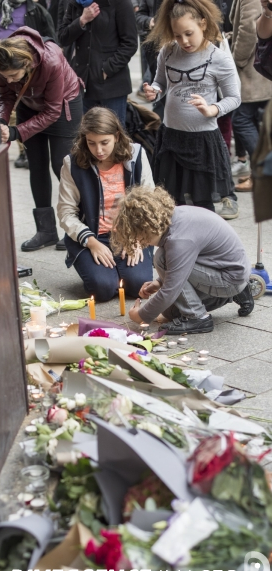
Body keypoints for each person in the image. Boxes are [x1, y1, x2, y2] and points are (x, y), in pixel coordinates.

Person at [143, 0, 241, 219]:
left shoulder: (219, 58)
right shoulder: (167, 51)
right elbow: (161, 82)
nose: (184, 41)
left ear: (203, 24)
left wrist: (212, 109)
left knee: (202, 206)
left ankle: (205, 249)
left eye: (189, 33)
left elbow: (234, 98)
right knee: (171, 204)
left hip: (202, 141)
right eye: (177, 35)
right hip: (170, 138)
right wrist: (154, 91)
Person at [111, 186, 253, 335]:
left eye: (138, 238)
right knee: (171, 313)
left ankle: (198, 317)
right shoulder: (173, 217)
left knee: (162, 259)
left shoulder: (179, 240)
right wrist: (159, 282)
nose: (141, 243)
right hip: (228, 270)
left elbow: (171, 288)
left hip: (230, 279)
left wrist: (141, 316)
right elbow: (184, 261)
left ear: (145, 230)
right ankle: (235, 293)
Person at [0, 27, 84, 251]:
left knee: (62, 167)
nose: (9, 79)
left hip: (63, 106)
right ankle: (46, 231)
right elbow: (5, 96)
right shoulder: (2, 64)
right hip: (29, 104)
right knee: (37, 165)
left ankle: (76, 228)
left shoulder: (51, 59)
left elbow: (52, 112)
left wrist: (16, 132)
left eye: (13, 76)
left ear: (27, 64)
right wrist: (2, 122)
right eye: (6, 76)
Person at [57, 107, 155, 302]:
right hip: (93, 236)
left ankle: (118, 272)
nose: (99, 150)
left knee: (139, 286)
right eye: (91, 143)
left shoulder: (136, 154)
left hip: (130, 233)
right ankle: (104, 273)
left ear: (117, 136)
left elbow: (150, 201)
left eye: (104, 142)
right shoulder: (72, 163)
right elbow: (66, 212)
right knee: (102, 290)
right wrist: (91, 242)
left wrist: (136, 237)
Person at [0, 0, 57, 169]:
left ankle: (23, 148)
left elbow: (51, 40)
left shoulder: (37, 11)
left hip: (28, 72)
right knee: (7, 110)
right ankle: (19, 149)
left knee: (20, 111)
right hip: (1, 68)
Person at [58, 0, 138, 126]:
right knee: (84, 136)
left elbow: (130, 44)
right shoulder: (74, 2)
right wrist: (82, 20)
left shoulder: (121, 3)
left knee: (112, 134)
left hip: (112, 86)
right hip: (82, 83)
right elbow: (63, 37)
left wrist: (106, 69)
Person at [229, 0, 272, 192]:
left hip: (252, 70)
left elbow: (248, 31)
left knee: (241, 119)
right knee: (251, 119)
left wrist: (235, 61)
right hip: (258, 69)